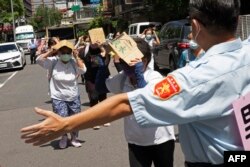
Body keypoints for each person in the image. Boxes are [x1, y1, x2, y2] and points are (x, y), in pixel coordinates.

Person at [21, 0, 248, 166]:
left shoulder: (194, 77)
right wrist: (107, 60)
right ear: (236, 20)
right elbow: (105, 88)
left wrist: (66, 125)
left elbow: (126, 104)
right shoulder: (246, 52)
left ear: (195, 27)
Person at [106, 38, 175, 167]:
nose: (126, 65)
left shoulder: (155, 78)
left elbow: (148, 100)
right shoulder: (123, 78)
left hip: (161, 140)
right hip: (136, 142)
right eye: (123, 61)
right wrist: (102, 62)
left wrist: (139, 78)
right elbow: (103, 86)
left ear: (144, 61)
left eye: (129, 62)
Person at [35, 40, 87, 149]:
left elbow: (83, 70)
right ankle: (63, 137)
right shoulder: (53, 62)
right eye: (62, 52)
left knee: (75, 119)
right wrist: (50, 51)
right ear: (58, 53)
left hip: (73, 95)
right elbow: (38, 60)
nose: (65, 55)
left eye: (68, 52)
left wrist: (77, 57)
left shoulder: (73, 62)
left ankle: (74, 138)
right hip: (58, 96)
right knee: (60, 119)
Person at [80, 38, 111, 129]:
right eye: (92, 41)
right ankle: (94, 120)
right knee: (94, 98)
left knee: (103, 98)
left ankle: (104, 119)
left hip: (101, 77)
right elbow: (80, 58)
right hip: (90, 78)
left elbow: (107, 59)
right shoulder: (85, 50)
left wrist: (101, 47)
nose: (94, 43)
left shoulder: (102, 48)